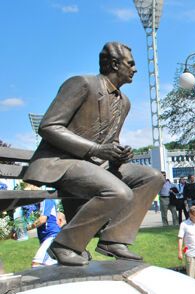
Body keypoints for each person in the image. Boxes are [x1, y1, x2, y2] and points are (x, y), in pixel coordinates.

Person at [23, 42, 164, 266]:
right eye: (131, 63)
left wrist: (118, 153)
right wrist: (95, 150)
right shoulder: (81, 84)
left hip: (96, 165)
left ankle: (114, 240)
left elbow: (110, 141)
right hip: (62, 161)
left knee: (153, 176)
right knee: (118, 192)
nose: (135, 69)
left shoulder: (124, 102)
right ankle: (64, 244)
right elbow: (49, 126)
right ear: (115, 65)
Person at [28, 199, 64, 267]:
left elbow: (42, 220)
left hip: (52, 236)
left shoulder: (46, 200)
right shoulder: (34, 205)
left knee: (36, 264)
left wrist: (24, 229)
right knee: (50, 265)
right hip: (45, 238)